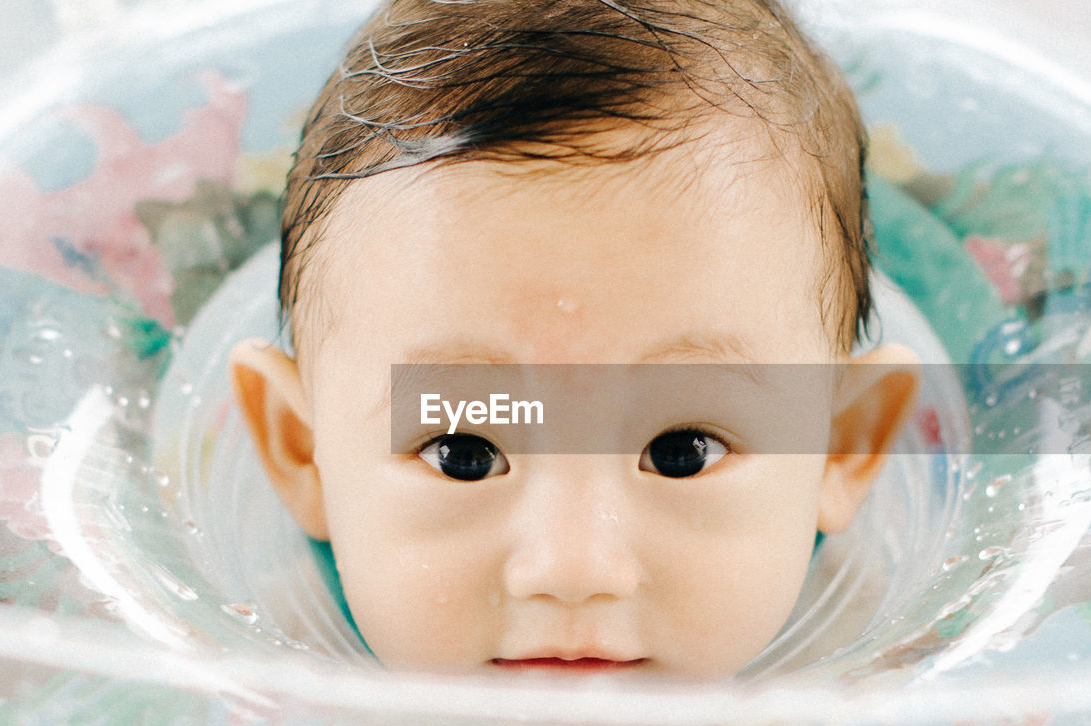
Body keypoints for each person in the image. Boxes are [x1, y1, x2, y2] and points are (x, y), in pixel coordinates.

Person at [229, 0, 918, 680]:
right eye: (464, 452)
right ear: (303, 449)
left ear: (841, 445)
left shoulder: (884, 670)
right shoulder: (261, 668)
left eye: (681, 451)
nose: (572, 567)